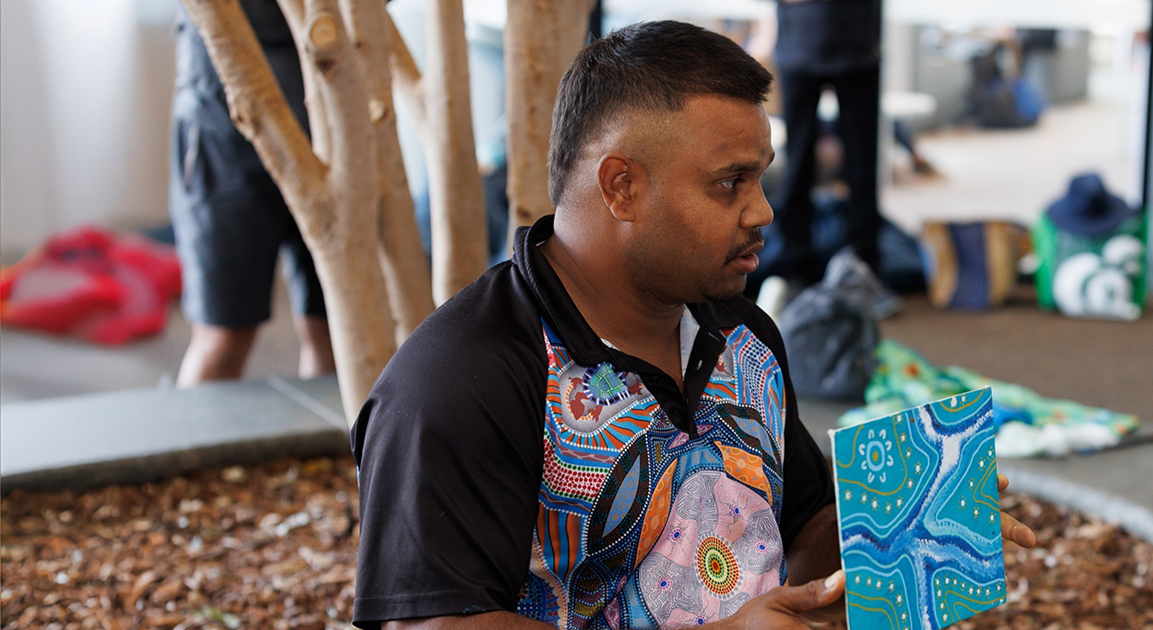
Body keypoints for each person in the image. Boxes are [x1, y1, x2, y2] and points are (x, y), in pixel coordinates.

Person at [349, 21, 1035, 630]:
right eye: (729, 182)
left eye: (762, 178)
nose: (763, 211)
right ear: (621, 186)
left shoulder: (743, 335)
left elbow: (798, 530)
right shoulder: (462, 379)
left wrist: (918, 528)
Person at [169, 0, 334, 385]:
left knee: (335, 327)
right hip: (224, 127)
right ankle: (196, 442)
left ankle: (335, 443)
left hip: (331, 120)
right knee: (223, 338)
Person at [771, 0, 884, 286]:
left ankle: (864, 266)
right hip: (798, 49)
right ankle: (796, 266)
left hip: (859, 48)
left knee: (863, 166)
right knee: (797, 165)